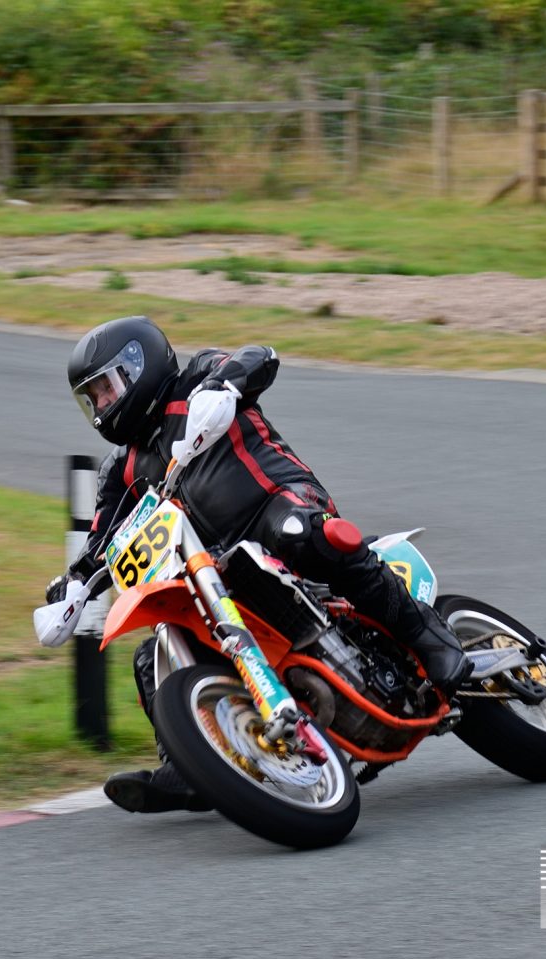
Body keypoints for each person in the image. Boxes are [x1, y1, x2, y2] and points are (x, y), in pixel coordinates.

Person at [44, 315, 469, 814]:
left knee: (299, 533)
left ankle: (429, 637)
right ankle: (189, 764)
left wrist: (224, 386)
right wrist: (74, 585)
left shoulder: (196, 379)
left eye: (107, 389)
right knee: (155, 651)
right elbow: (102, 537)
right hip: (216, 568)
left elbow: (258, 355)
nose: (102, 406)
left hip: (281, 503)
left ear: (141, 366)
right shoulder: (122, 467)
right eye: (91, 399)